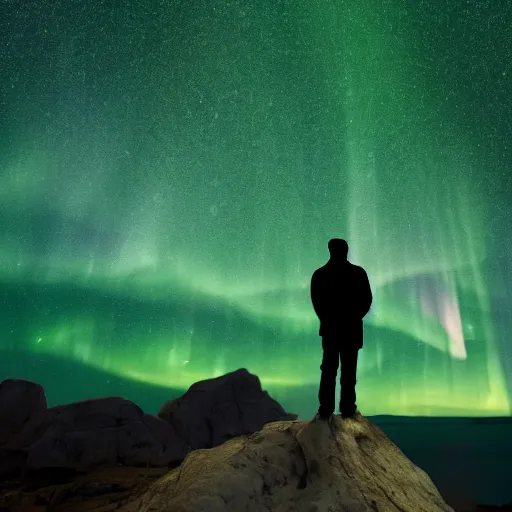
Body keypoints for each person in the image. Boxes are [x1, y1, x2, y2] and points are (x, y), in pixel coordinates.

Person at [310, 238, 372, 419]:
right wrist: (352, 317)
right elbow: (366, 300)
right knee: (346, 370)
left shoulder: (320, 274)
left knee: (330, 369)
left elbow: (317, 303)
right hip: (350, 330)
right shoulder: (357, 273)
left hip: (332, 329)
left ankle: (327, 408)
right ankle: (346, 407)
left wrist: (329, 319)